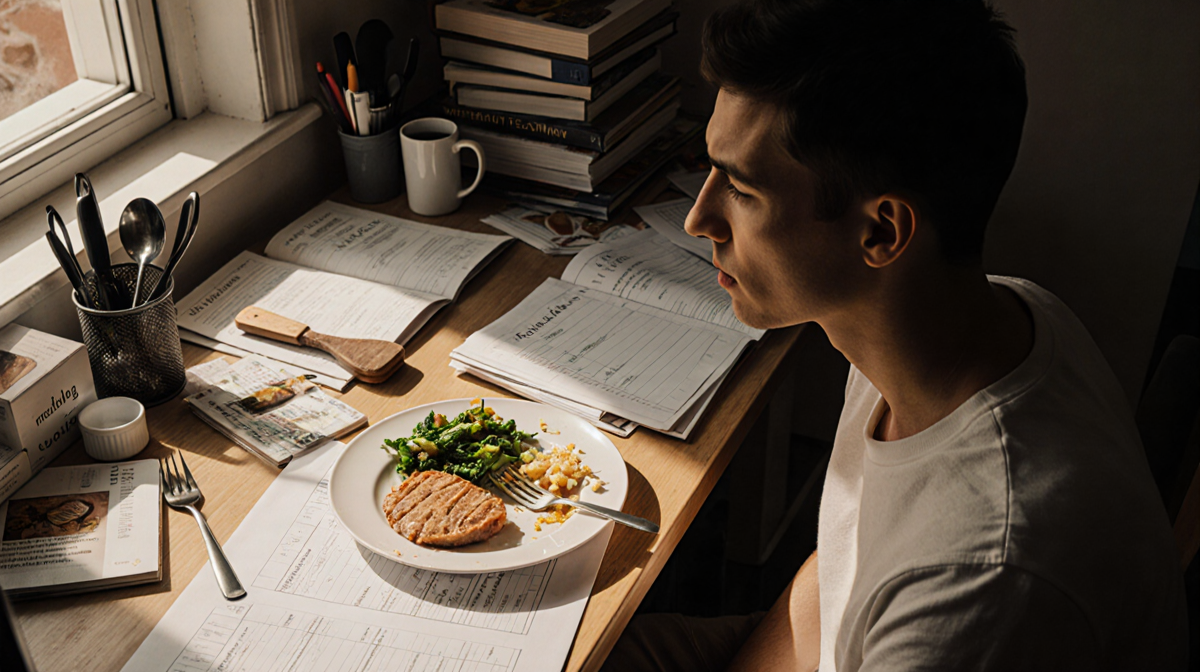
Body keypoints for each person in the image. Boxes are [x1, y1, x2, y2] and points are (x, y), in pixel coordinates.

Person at [601, 0, 1189, 670]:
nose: (699, 218)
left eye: (742, 190)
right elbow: (847, 574)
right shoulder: (982, 321)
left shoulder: (982, 580)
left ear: (880, 233)